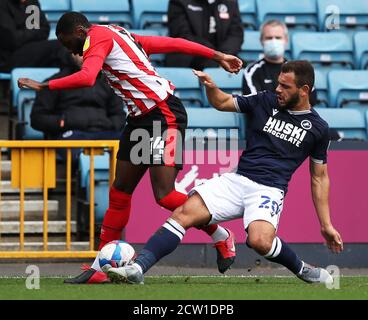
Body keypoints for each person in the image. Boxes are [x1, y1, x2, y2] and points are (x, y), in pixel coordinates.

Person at [18, 12, 243, 284]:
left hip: (164, 114)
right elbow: (170, 42)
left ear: (80, 31)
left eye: (69, 43)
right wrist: (217, 54)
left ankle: (221, 235)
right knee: (120, 191)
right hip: (140, 118)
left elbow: (88, 77)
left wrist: (46, 85)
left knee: (164, 194)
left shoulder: (96, 39)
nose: (70, 50)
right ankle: (100, 266)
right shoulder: (116, 33)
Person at [106, 61, 344, 285]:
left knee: (259, 242)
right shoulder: (265, 100)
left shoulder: (318, 129)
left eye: (285, 86)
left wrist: (326, 225)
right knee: (183, 213)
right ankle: (138, 268)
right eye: (278, 83)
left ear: (304, 90)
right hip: (236, 180)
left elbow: (319, 178)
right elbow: (223, 103)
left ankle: (301, 268)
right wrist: (212, 88)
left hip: (268, 189)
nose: (278, 89)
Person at [242, 19, 341, 141]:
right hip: (266, 130)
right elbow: (256, 104)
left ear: (286, 40)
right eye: (269, 38)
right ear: (261, 41)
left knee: (332, 136)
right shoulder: (252, 72)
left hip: (297, 125)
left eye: (278, 37)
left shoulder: (298, 69)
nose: (274, 41)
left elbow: (311, 97)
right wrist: (291, 100)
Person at [30, 53, 125, 164]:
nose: (85, 56)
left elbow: (119, 115)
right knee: (85, 162)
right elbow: (38, 118)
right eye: (80, 52)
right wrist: (62, 122)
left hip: (105, 134)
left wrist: (110, 124)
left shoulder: (109, 83)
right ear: (71, 52)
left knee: (132, 151)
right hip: (72, 136)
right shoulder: (54, 82)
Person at [165, 0, 243, 70]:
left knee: (240, 67)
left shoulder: (230, 2)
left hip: (222, 56)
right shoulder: (179, 2)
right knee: (211, 66)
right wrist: (215, 55)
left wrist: (222, 56)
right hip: (189, 57)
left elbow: (236, 34)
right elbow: (182, 35)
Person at [0, 0, 69, 72]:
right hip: (9, 58)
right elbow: (12, 39)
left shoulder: (32, 3)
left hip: (33, 51)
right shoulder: (2, 4)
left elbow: (44, 31)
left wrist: (24, 33)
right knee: (59, 45)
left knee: (60, 61)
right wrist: (34, 32)